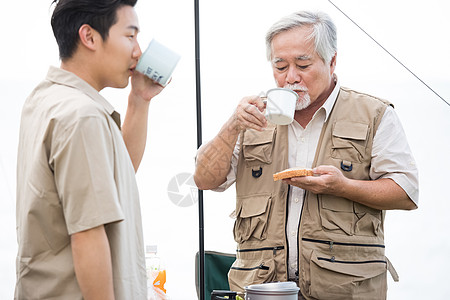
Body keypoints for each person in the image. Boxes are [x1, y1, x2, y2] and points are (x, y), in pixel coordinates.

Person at [194, 10, 419, 299]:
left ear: (332, 61)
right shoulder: (252, 116)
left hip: (345, 290)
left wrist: (344, 186)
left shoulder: (374, 114)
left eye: (303, 64)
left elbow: (407, 192)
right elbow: (204, 179)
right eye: (280, 66)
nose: (290, 77)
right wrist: (232, 125)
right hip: (264, 290)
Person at [15, 0, 166, 299]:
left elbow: (115, 178)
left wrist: (139, 99)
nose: (138, 51)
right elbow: (87, 236)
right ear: (89, 37)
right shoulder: (82, 116)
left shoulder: (47, 99)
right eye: (129, 36)